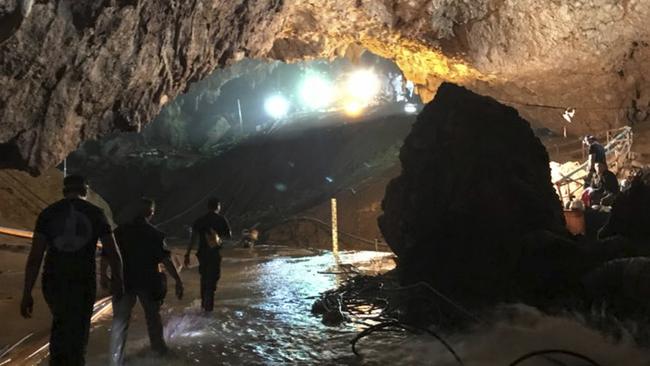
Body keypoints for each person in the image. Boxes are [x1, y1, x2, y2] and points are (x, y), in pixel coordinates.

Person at [20, 175, 123, 366]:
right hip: (82, 280)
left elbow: (35, 257)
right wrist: (118, 282)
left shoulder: (48, 213)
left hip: (53, 280)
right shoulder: (96, 213)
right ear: (85, 191)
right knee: (78, 331)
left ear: (64, 190)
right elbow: (113, 253)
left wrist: (27, 293)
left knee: (60, 325)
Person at [105, 198, 183, 366]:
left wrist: (104, 277)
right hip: (148, 283)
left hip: (124, 281)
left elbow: (107, 254)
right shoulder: (155, 234)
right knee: (153, 318)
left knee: (120, 322)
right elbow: (166, 260)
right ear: (151, 213)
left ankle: (115, 360)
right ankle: (159, 352)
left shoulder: (120, 232)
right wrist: (177, 280)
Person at [184, 198, 231, 312]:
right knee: (212, 281)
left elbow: (193, 239)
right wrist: (218, 237)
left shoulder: (200, 220)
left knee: (204, 279)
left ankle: (203, 306)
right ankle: (208, 309)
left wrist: (187, 254)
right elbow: (229, 236)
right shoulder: (221, 219)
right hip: (214, 254)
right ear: (218, 206)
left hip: (202, 254)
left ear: (208, 206)